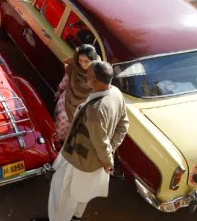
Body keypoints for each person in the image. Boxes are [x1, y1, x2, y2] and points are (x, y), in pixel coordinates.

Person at [32, 62, 129, 221]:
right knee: (82, 193)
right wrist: (110, 151)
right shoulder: (116, 93)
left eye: (88, 76)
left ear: (96, 81)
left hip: (79, 159)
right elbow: (124, 125)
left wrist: (107, 159)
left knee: (62, 192)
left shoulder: (95, 110)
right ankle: (76, 217)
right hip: (94, 161)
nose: (86, 77)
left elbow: (100, 141)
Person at [53, 45, 98, 142]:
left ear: (93, 60)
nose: (83, 64)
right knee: (61, 119)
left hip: (83, 107)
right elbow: (67, 79)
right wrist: (59, 90)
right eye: (80, 61)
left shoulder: (98, 73)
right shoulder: (75, 66)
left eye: (86, 61)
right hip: (67, 100)